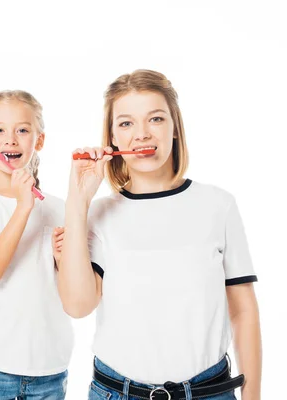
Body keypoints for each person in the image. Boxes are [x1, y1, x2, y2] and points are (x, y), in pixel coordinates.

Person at [58, 70, 262, 400]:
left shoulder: (218, 206)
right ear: (112, 139)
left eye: (155, 119)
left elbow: (243, 311)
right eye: (126, 123)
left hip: (209, 391)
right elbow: (78, 305)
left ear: (175, 128)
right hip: (116, 392)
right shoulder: (97, 214)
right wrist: (77, 202)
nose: (142, 134)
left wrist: (253, 397)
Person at [0, 90, 73, 400]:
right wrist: (23, 206)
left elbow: (70, 293)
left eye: (22, 129)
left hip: (49, 368)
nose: (11, 139)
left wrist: (63, 260)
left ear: (39, 140)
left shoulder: (59, 208)